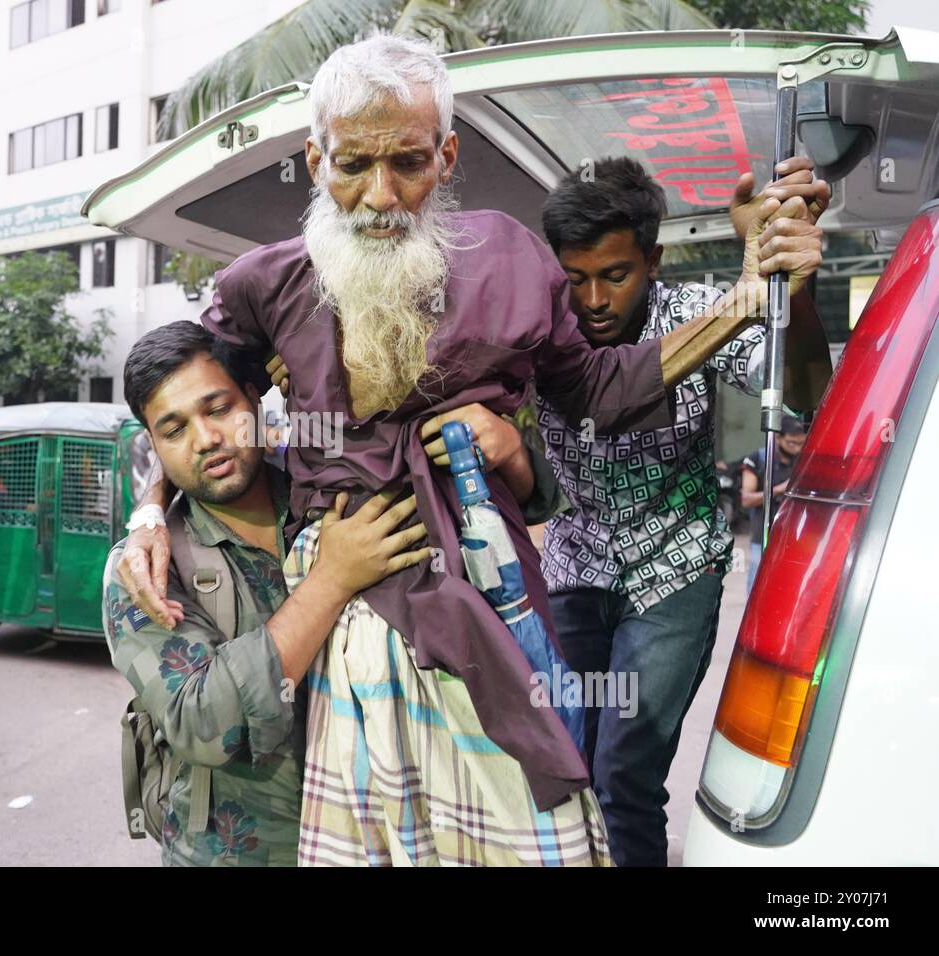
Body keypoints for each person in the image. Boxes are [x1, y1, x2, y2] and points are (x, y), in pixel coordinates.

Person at [118, 34, 822, 865]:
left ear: (447, 157)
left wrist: (749, 297)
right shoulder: (265, 284)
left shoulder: (512, 260)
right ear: (315, 161)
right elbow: (183, 404)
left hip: (496, 596)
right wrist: (145, 508)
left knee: (549, 820)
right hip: (349, 616)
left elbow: (597, 390)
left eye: (408, 163)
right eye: (353, 166)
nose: (380, 197)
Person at [534, 157, 831, 866]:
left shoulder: (705, 312)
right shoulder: (542, 331)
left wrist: (800, 292)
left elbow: (803, 396)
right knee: (562, 767)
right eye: (575, 279)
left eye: (615, 274)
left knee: (623, 776)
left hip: (676, 575)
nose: (595, 300)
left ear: (652, 259)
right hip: (575, 570)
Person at [103, 321, 433, 866]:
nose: (205, 439)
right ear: (153, 444)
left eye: (218, 408)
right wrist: (332, 579)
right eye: (174, 428)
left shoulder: (331, 500)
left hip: (378, 837)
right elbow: (202, 725)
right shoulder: (145, 570)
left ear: (256, 399)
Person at [741, 415, 808, 593]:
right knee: (757, 588)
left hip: (794, 536)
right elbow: (746, 499)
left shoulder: (803, 460)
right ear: (778, 437)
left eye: (801, 443)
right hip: (763, 534)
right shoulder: (759, 459)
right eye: (791, 443)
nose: (797, 448)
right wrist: (779, 489)